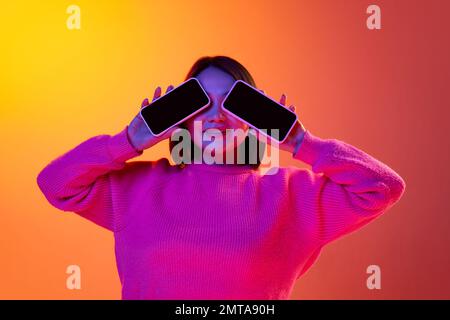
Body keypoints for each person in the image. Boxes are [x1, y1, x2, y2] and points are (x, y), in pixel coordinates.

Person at [36, 55, 406, 300]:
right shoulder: (137, 188)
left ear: (255, 115)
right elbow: (55, 184)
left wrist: (301, 143)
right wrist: (129, 141)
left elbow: (383, 187)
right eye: (201, 103)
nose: (216, 116)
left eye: (231, 102)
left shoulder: (292, 195)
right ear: (181, 118)